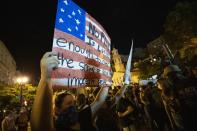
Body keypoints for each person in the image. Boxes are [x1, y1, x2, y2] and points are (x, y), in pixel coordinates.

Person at [30, 52, 110, 131]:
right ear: (57, 109)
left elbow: (99, 100)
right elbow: (39, 126)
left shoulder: (82, 117)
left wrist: (106, 83)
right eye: (69, 104)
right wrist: (45, 78)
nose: (73, 106)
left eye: (74, 103)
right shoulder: (56, 127)